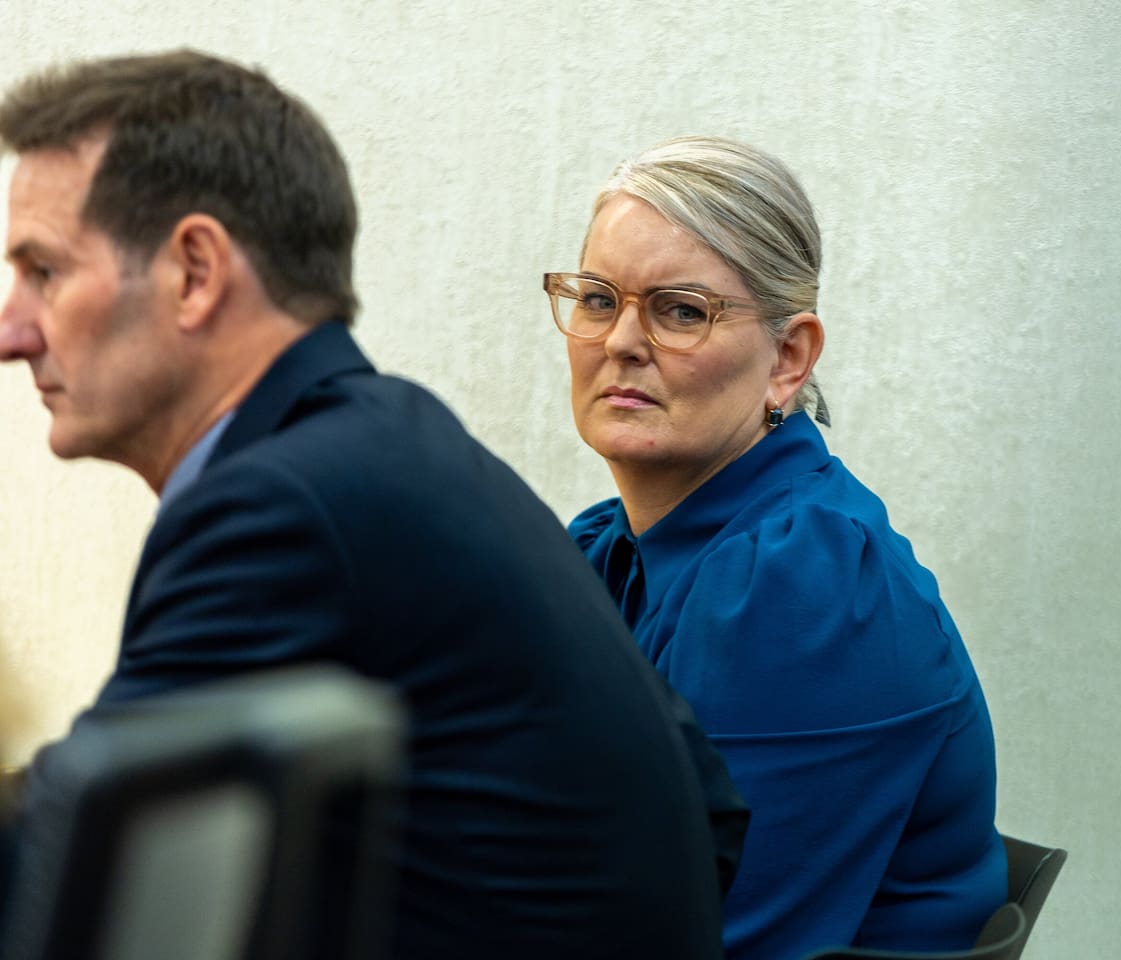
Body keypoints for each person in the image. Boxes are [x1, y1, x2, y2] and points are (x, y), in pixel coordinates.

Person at [0, 52, 745, 960]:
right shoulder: (403, 447)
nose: (11, 329)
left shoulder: (277, 508)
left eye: (42, 271)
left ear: (195, 272)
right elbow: (709, 810)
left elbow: (78, 882)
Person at [551, 136, 1007, 959]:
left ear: (787, 359)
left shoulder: (805, 587)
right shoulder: (607, 550)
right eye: (596, 299)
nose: (620, 340)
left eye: (680, 310)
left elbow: (692, 935)